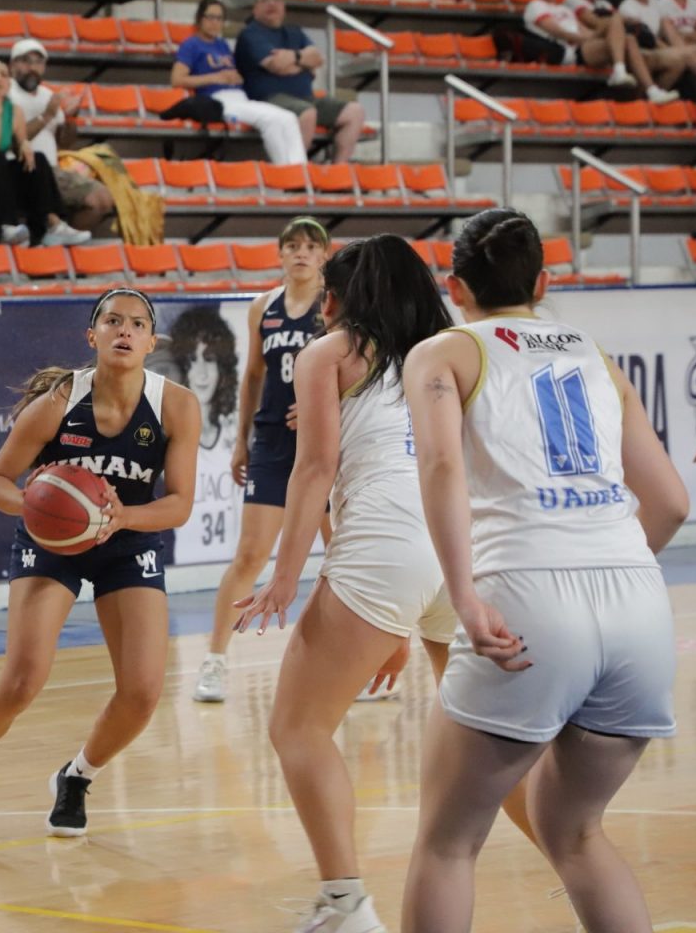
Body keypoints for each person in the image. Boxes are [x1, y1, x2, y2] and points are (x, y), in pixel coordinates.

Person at [399, 208, 688, 931]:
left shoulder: (443, 352)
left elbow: (440, 467)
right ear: (543, 283)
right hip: (637, 598)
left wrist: (464, 598)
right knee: (577, 833)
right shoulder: (597, 357)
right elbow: (672, 504)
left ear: (456, 287)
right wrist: (607, 572)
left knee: (447, 844)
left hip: (526, 594)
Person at [231, 235, 457, 932]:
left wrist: (284, 578)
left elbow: (313, 471)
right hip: (466, 548)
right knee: (484, 736)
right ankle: (580, 867)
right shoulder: (450, 352)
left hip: (389, 545)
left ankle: (345, 907)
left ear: (344, 296)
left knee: (297, 728)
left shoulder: (330, 352)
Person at [0, 288, 199, 842]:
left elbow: (180, 505)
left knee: (143, 693)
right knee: (23, 681)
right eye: (112, 321)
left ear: (152, 342)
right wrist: (38, 503)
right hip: (52, 544)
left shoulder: (176, 405)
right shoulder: (57, 402)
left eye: (137, 324)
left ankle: (77, 777)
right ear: (92, 336)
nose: (124, 330)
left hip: (126, 540)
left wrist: (120, 517)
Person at [190, 217, 331, 704]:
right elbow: (253, 375)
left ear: (324, 256)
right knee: (250, 555)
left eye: (310, 246)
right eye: (292, 245)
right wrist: (241, 441)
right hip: (271, 440)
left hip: (323, 442)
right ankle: (214, 661)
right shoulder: (263, 306)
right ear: (280, 254)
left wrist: (321, 407)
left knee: (341, 555)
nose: (301, 253)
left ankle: (348, 662)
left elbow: (356, 368)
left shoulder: (335, 304)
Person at [0, 58, 91, 247]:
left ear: (9, 83)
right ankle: (5, 227)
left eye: (3, 75)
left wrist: (24, 146)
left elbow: (20, 144)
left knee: (37, 159)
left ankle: (51, 226)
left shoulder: (14, 110)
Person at [147, 305, 242, 565]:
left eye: (209, 359)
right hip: (185, 569)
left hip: (236, 564)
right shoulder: (165, 430)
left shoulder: (239, 428)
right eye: (191, 360)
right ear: (181, 368)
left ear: (222, 365)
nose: (201, 373)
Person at [234, 0, 366, 164]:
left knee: (354, 112)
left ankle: (337, 171)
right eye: (265, 0)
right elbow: (276, 65)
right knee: (307, 113)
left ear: (284, 7)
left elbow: (317, 58)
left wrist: (292, 58)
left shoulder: (294, 32)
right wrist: (302, 62)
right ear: (255, 9)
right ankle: (296, 172)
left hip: (305, 97)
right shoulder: (250, 34)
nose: (272, 4)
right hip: (268, 99)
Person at [171, 0, 308, 165]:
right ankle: (287, 173)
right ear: (200, 19)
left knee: (288, 118)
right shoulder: (191, 45)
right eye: (210, 17)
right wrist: (214, 78)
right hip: (217, 100)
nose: (215, 23)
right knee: (268, 120)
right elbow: (177, 79)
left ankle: (301, 172)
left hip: (239, 97)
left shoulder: (222, 44)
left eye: (219, 18)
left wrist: (236, 76)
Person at [526, 0, 679, 103]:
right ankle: (620, 71)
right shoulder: (535, 5)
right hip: (568, 53)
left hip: (584, 45)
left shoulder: (564, 9)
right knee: (615, 21)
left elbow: (584, 30)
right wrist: (593, 37)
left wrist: (599, 34)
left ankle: (651, 90)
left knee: (629, 38)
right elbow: (561, 33)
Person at [7, 39, 115, 234]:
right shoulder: (6, 93)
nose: (32, 68)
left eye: (38, 62)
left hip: (53, 169)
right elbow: (12, 141)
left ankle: (58, 242)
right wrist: (46, 115)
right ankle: (54, 236)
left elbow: (64, 143)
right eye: (26, 61)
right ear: (12, 65)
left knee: (104, 200)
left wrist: (71, 118)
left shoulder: (49, 95)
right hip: (20, 169)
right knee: (97, 199)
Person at [620, 0, 696, 79]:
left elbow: (668, 29)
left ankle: (655, 90)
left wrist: (680, 49)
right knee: (687, 54)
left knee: (688, 54)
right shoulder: (628, 6)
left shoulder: (655, 2)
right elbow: (647, 37)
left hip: (658, 49)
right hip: (640, 52)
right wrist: (678, 51)